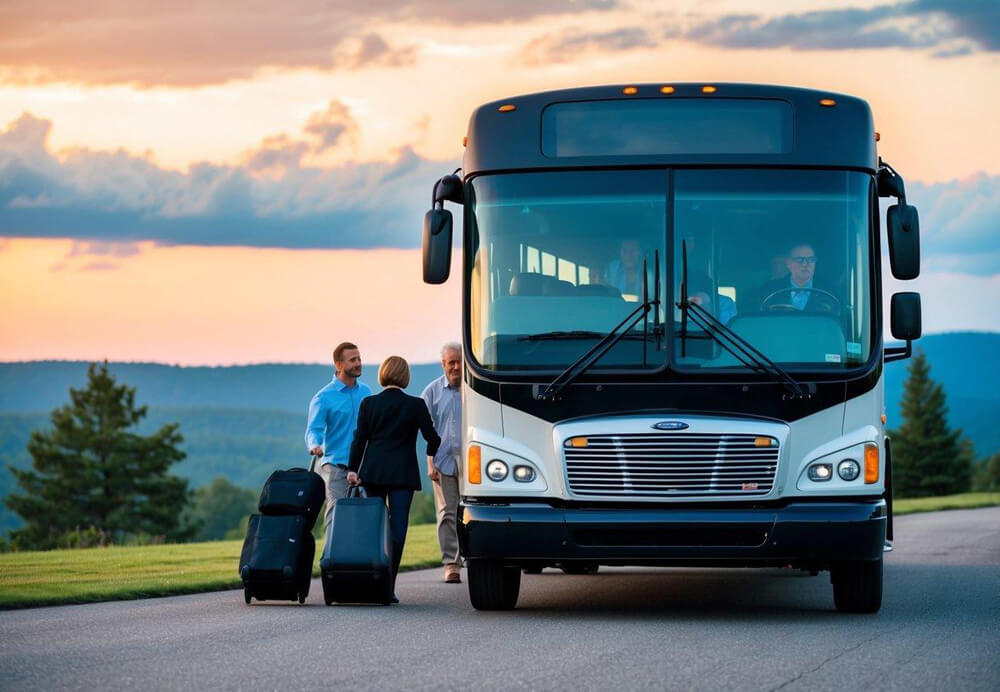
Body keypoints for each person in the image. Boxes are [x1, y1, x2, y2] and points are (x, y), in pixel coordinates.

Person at [347, 356, 440, 604]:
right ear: (405, 376)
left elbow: (360, 440)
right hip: (402, 474)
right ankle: (388, 588)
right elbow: (433, 438)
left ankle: (371, 584)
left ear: (383, 374)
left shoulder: (369, 403)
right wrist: (431, 454)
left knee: (374, 530)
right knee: (397, 531)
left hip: (373, 473)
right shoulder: (416, 405)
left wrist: (352, 469)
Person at [305, 342, 372, 527]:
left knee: (363, 519)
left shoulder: (366, 392)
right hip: (336, 465)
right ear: (339, 365)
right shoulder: (323, 397)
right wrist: (314, 445)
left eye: (359, 358)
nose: (358, 363)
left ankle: (358, 556)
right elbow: (313, 429)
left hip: (362, 466)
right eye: (353, 360)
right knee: (337, 515)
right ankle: (331, 556)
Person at [421, 342, 463, 584]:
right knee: (447, 513)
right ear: (443, 365)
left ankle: (474, 558)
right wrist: (430, 462)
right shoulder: (432, 392)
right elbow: (427, 431)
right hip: (442, 460)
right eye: (451, 363)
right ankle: (451, 564)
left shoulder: (473, 388)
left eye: (459, 362)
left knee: (470, 512)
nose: (456, 367)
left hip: (474, 462)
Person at [755, 242, 834, 312]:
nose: (805, 264)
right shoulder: (770, 289)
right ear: (788, 263)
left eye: (811, 259)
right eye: (800, 259)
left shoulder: (829, 291)